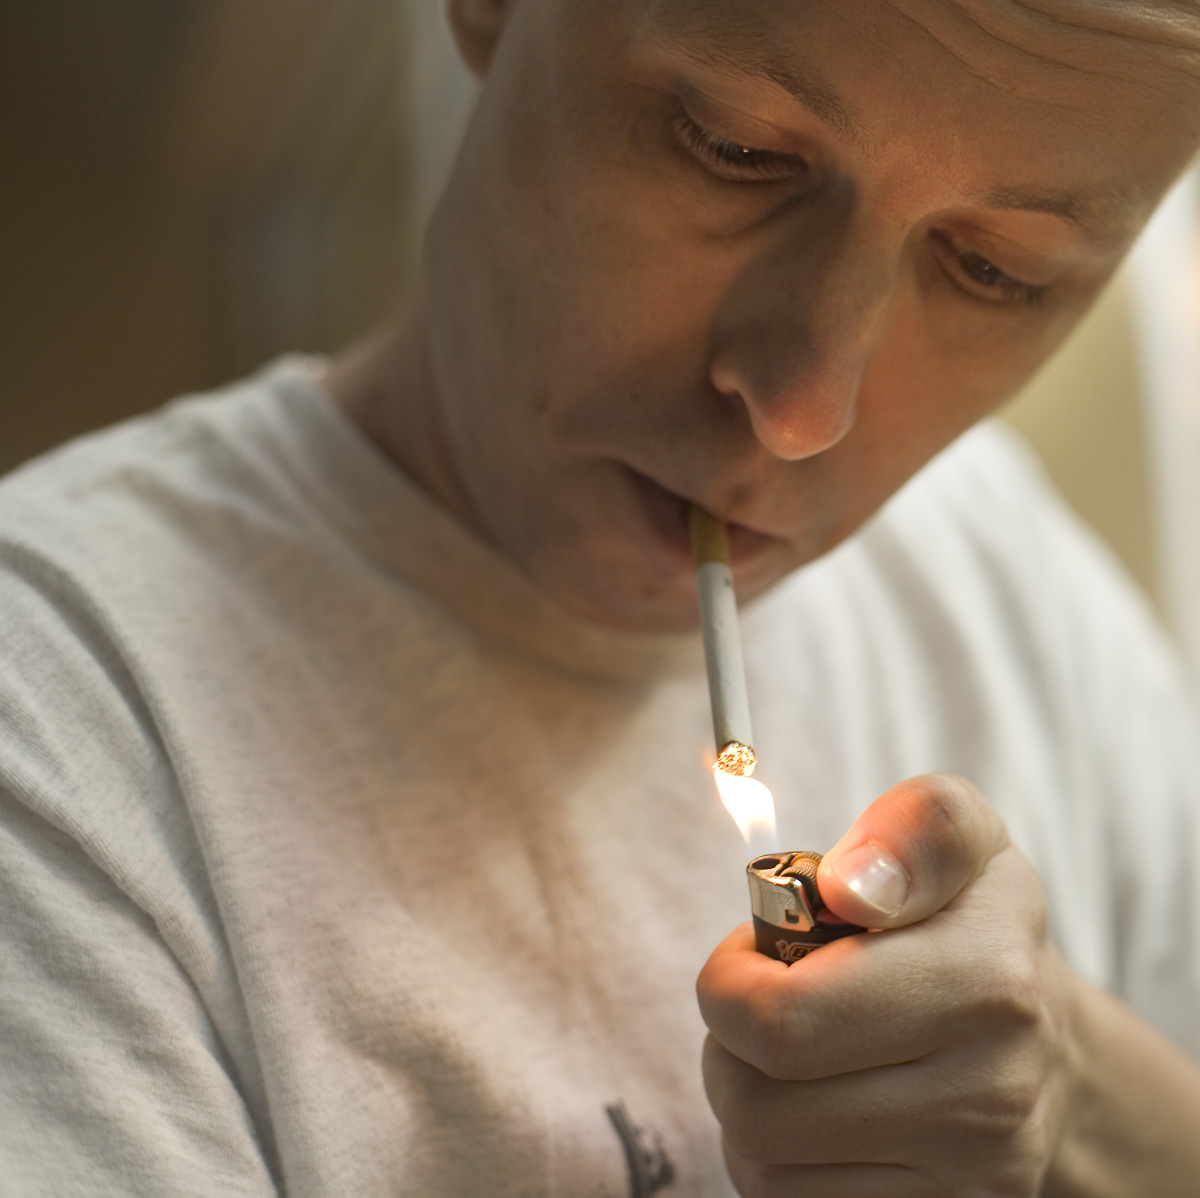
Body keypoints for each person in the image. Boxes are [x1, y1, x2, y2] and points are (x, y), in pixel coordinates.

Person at [3, 0, 1200, 1193]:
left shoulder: (1001, 572)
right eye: (735, 147)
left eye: (996, 269)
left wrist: (1075, 1094)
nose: (798, 410)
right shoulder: (61, 709)